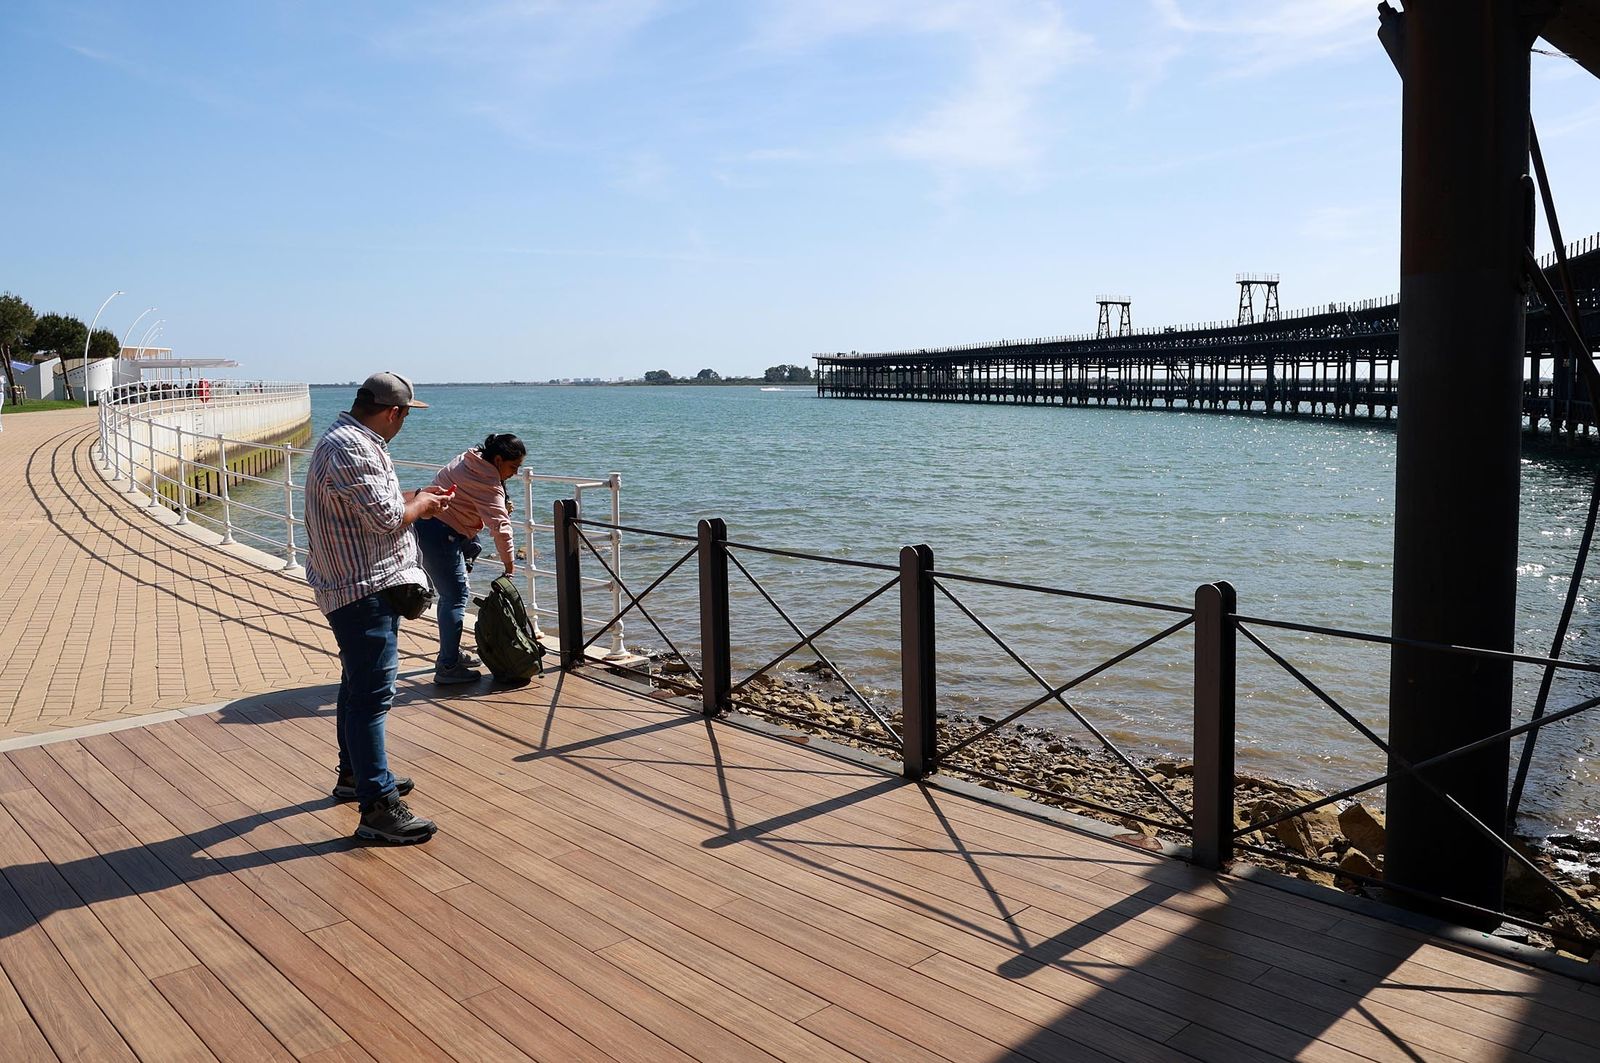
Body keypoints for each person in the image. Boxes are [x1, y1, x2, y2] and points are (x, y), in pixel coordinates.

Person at [304, 371, 450, 844]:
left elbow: (371, 507)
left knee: (356, 686)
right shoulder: (353, 447)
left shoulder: (349, 441)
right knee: (372, 697)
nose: (405, 422)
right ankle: (378, 807)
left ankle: (356, 776)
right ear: (394, 412)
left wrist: (416, 498)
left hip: (353, 584)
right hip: (361, 589)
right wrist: (422, 504)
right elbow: (387, 518)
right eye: (406, 414)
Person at [415, 432, 526, 684]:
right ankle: (447, 667)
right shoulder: (487, 483)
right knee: (455, 597)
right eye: (513, 467)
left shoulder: (469, 459)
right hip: (442, 536)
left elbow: (467, 499)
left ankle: (450, 653)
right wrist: (509, 563)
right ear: (498, 460)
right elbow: (500, 527)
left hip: (431, 527)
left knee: (454, 590)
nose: (515, 474)